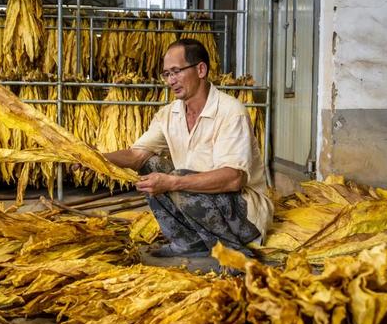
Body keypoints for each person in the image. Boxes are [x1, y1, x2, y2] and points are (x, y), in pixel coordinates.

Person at [103, 38, 273, 259]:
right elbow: (137, 156)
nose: (171, 80)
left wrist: (173, 182)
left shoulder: (231, 111)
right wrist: (96, 158)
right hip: (199, 201)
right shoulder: (169, 114)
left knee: (176, 177)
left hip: (243, 212)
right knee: (151, 165)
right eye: (167, 74)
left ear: (200, 69)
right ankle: (189, 242)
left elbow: (234, 179)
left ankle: (234, 252)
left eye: (177, 71)